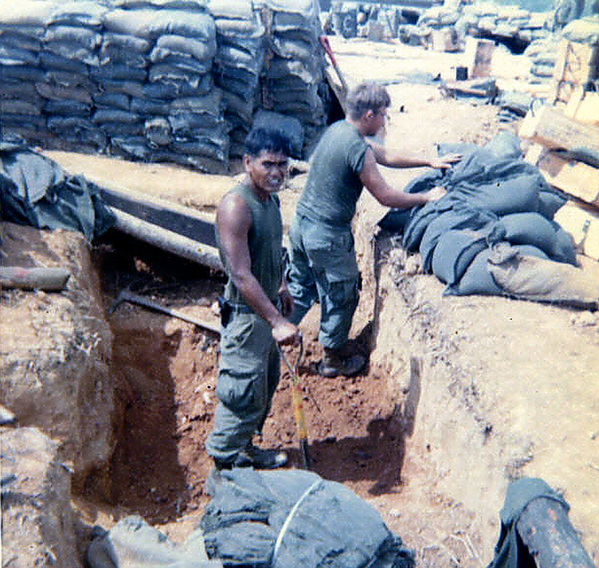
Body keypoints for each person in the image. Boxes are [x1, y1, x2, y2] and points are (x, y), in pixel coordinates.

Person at [287, 82, 460, 378]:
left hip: (301, 227)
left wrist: (427, 160)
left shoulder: (339, 130)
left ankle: (271, 338)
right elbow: (386, 196)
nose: (384, 122)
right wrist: (425, 197)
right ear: (370, 115)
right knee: (343, 293)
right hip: (326, 235)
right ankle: (332, 359)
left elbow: (385, 155)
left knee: (301, 288)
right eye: (383, 116)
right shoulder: (356, 146)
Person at [205, 126, 300, 470]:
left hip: (265, 308)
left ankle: (243, 447)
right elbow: (241, 274)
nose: (276, 173)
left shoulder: (269, 199)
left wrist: (281, 286)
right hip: (248, 317)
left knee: (264, 384)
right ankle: (226, 464)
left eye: (282, 165)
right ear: (248, 162)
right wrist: (276, 321)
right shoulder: (236, 206)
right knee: (241, 391)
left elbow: (271, 251)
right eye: (268, 164)